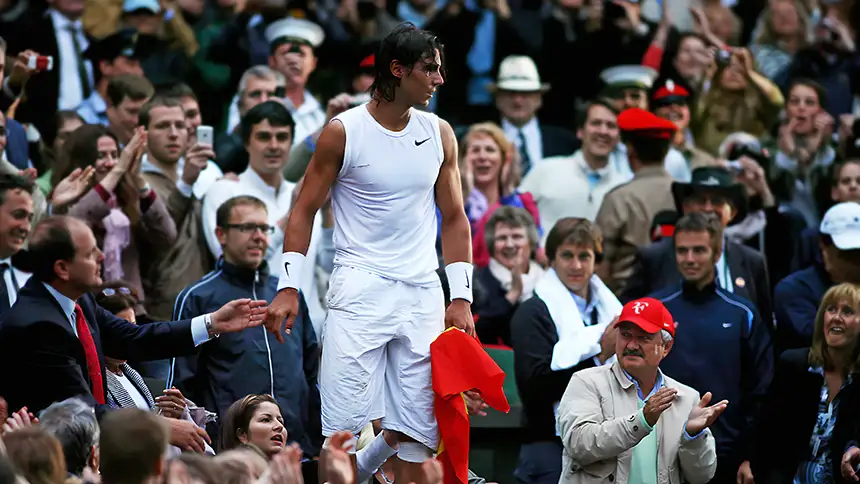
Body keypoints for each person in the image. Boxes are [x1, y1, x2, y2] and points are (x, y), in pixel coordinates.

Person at [264, 23, 474, 484]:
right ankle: (355, 470)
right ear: (397, 70)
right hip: (359, 290)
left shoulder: (440, 133)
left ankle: (364, 470)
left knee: (419, 434)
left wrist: (460, 296)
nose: (439, 80)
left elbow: (455, 219)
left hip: (421, 293)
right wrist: (288, 286)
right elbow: (302, 213)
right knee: (340, 432)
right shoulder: (344, 132)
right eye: (430, 70)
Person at [0, 215, 269, 416]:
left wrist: (212, 323)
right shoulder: (38, 325)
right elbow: (81, 410)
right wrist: (159, 427)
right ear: (62, 268)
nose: (102, 256)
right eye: (91, 253)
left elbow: (135, 338)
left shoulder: (79, 299)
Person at [557, 297, 725, 484]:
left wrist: (693, 437)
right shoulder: (586, 381)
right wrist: (642, 421)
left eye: (643, 337)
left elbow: (702, 476)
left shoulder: (687, 398)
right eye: (626, 335)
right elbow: (579, 444)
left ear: (666, 347)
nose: (631, 345)